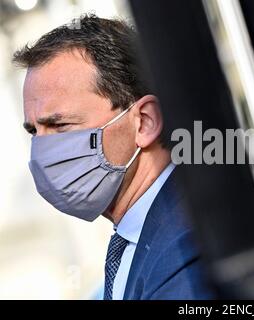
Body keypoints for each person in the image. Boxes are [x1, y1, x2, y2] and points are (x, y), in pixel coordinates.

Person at [13, 14, 214, 300]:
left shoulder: (190, 249)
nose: (42, 150)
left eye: (60, 125)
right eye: (33, 130)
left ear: (143, 122)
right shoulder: (137, 236)